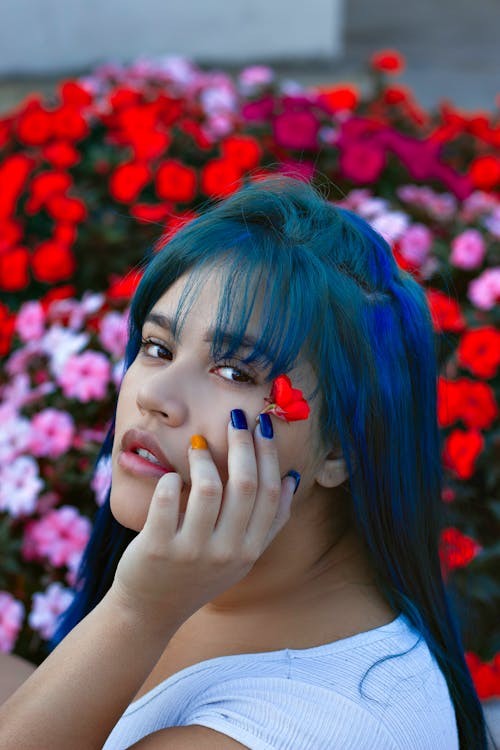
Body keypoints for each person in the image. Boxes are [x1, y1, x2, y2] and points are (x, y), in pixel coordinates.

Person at [0, 176, 492, 750]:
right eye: (158, 347)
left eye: (236, 373)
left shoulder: (315, 725)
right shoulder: (209, 579)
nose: (155, 394)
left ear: (342, 447)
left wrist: (135, 612)